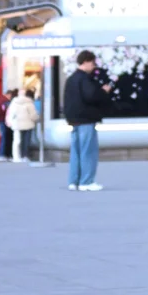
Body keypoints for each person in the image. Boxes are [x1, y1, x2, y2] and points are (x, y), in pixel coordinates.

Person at [63, 51, 111, 191]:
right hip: (86, 119)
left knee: (76, 152)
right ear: (86, 62)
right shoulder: (85, 79)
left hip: (74, 120)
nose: (94, 66)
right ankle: (87, 181)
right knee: (88, 151)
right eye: (93, 63)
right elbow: (91, 96)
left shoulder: (71, 79)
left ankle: (74, 181)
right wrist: (103, 91)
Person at [7, 89, 38, 162]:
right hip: (28, 124)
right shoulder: (29, 102)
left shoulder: (14, 102)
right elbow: (33, 115)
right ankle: (25, 156)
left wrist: (10, 122)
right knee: (26, 141)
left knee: (17, 141)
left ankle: (16, 156)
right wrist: (37, 118)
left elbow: (11, 113)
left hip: (17, 124)